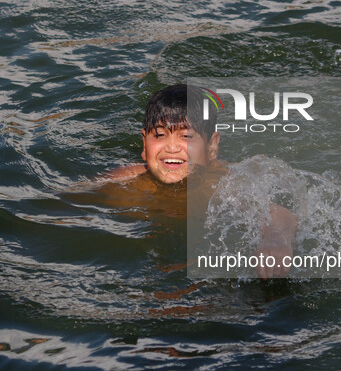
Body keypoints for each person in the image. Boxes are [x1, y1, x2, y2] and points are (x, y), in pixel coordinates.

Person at [103, 84, 298, 279]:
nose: (171, 147)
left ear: (212, 146)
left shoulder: (223, 183)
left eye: (186, 136)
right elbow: (75, 201)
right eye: (160, 135)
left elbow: (276, 214)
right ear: (145, 143)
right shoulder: (127, 180)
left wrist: (275, 239)